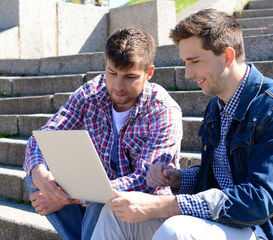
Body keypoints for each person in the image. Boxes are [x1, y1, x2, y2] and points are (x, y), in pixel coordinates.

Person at [90, 9, 273, 240]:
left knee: (177, 230)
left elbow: (260, 199)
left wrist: (165, 205)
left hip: (270, 231)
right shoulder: (216, 105)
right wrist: (178, 178)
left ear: (227, 57)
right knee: (116, 214)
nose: (188, 74)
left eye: (195, 61)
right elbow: (218, 176)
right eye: (184, 62)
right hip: (227, 223)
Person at [23, 27, 183, 240]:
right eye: (112, 73)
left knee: (103, 198)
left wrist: (71, 196)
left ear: (149, 73)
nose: (118, 85)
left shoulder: (162, 110)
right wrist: (39, 173)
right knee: (37, 176)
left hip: (146, 214)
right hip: (97, 199)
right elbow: (43, 137)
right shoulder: (92, 93)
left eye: (130, 77)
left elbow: (146, 181)